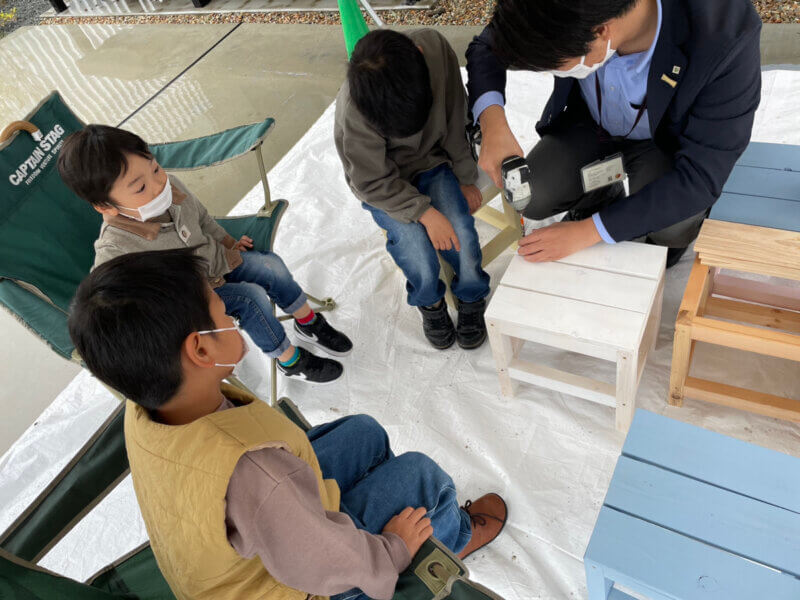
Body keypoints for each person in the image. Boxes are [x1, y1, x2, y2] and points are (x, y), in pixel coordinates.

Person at [67, 248, 508, 600]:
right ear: (200, 351)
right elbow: (318, 557)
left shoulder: (146, 405)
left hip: (240, 541)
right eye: (223, 312)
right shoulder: (258, 477)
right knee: (421, 475)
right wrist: (391, 549)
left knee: (366, 432)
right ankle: (452, 535)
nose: (233, 317)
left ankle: (400, 517)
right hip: (293, 583)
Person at [466, 0, 762, 267]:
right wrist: (493, 124)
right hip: (591, 125)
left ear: (600, 32)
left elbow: (699, 178)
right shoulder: (557, 11)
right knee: (536, 193)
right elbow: (487, 46)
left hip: (665, 143)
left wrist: (587, 232)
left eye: (555, 66)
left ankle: (657, 242)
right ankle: (602, 197)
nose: (550, 73)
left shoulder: (725, 35)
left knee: (672, 226)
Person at [58, 125, 350, 384]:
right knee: (252, 299)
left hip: (217, 259)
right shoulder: (115, 250)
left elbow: (203, 219)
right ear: (106, 207)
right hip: (196, 300)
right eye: (141, 187)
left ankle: (308, 322)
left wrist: (228, 242)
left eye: (155, 168)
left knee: (270, 266)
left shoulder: (171, 186)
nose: (159, 185)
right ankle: (289, 360)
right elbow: (106, 304)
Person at [334, 29, 491, 350]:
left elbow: (455, 115)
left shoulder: (434, 47)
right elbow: (369, 182)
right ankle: (430, 302)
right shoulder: (355, 108)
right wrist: (425, 213)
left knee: (460, 229)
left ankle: (472, 293)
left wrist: (465, 176)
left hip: (433, 160)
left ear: (419, 53)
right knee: (414, 245)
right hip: (385, 185)